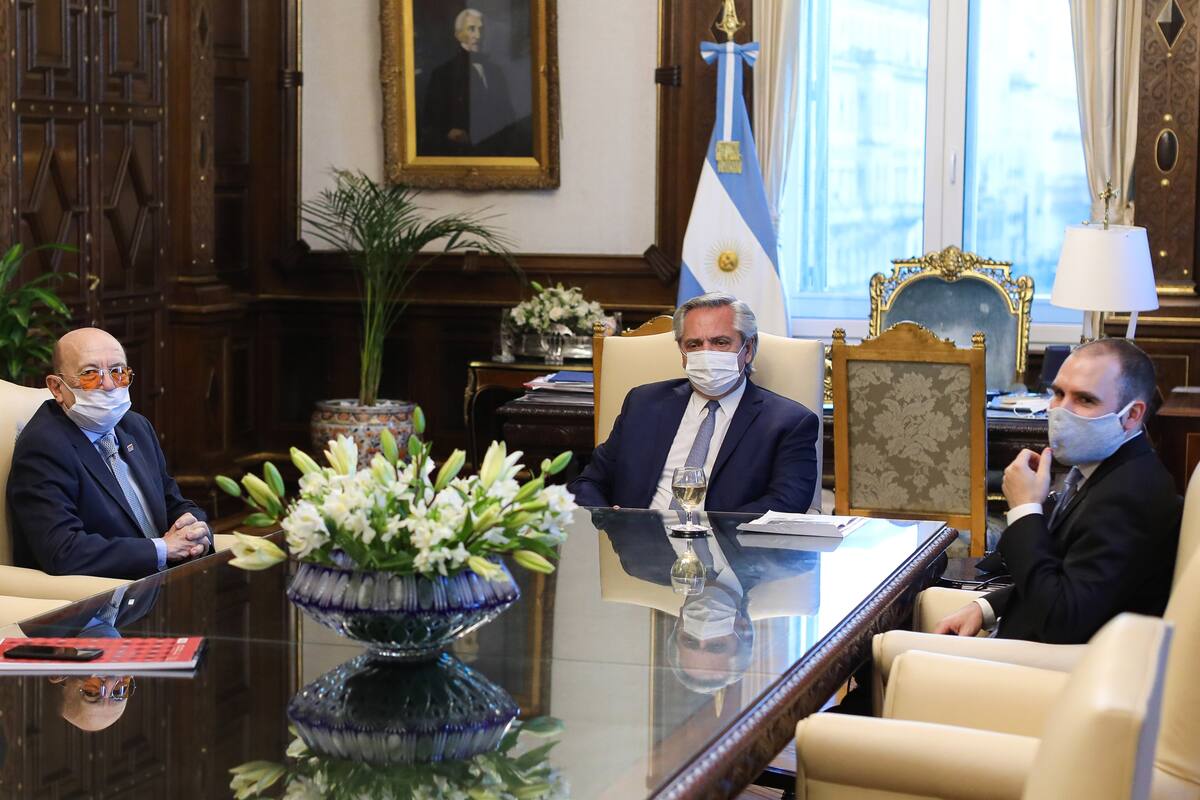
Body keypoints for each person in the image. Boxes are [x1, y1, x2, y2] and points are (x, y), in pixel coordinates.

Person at [934, 338, 1181, 644]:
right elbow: (1064, 575)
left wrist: (1025, 510)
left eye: (1085, 400)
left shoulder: (1129, 496)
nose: (1061, 412)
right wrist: (984, 607)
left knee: (890, 653)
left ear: (1132, 415)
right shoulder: (1103, 470)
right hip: (1018, 638)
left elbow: (1062, 619)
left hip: (1046, 668)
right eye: (1058, 393)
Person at [568, 292, 819, 513]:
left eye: (720, 342)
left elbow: (787, 502)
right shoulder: (643, 404)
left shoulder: (789, 423)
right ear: (682, 352)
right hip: (639, 553)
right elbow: (588, 483)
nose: (706, 353)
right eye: (694, 344)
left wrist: (711, 532)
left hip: (730, 558)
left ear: (748, 349)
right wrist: (611, 520)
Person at [9, 328, 211, 579]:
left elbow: (172, 501)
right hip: (102, 599)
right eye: (90, 374)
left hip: (163, 586)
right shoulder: (43, 447)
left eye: (118, 371)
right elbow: (62, 551)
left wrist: (194, 527)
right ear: (57, 388)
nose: (108, 384)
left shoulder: (135, 426)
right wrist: (162, 549)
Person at [420, 8, 528, 157]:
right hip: (458, 156)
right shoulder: (442, 74)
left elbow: (508, 115)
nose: (478, 35)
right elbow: (430, 122)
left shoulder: (495, 72)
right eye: (472, 29)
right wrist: (449, 132)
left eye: (481, 29)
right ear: (458, 35)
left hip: (495, 154)